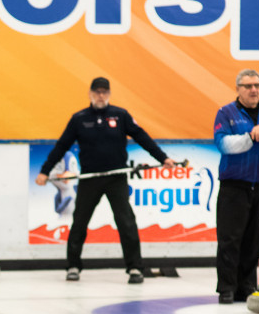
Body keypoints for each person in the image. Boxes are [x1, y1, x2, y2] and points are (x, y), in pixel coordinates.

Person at [35, 77, 177, 284]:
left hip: (116, 177)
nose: (101, 96)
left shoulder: (120, 115)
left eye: (104, 92)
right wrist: (45, 171)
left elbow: (141, 137)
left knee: (126, 221)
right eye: (97, 92)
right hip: (90, 178)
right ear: (90, 94)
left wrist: (163, 158)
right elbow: (62, 146)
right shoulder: (79, 118)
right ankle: (73, 266)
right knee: (80, 222)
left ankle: (135, 268)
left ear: (109, 94)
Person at [213, 69, 259, 304]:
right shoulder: (226, 113)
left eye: (257, 85)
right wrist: (250, 136)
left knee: (253, 238)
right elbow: (223, 144)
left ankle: (245, 286)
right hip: (234, 185)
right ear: (238, 89)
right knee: (230, 238)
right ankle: (227, 287)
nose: (254, 90)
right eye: (248, 86)